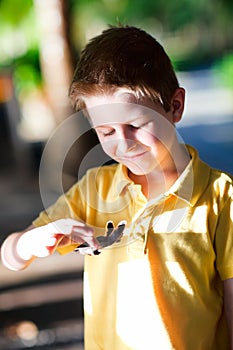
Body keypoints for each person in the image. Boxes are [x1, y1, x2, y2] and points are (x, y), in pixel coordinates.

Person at [1, 25, 233, 349]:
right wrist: (30, 242)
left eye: (135, 126)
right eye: (106, 132)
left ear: (175, 107)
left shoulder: (222, 199)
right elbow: (10, 256)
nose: (122, 144)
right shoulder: (94, 190)